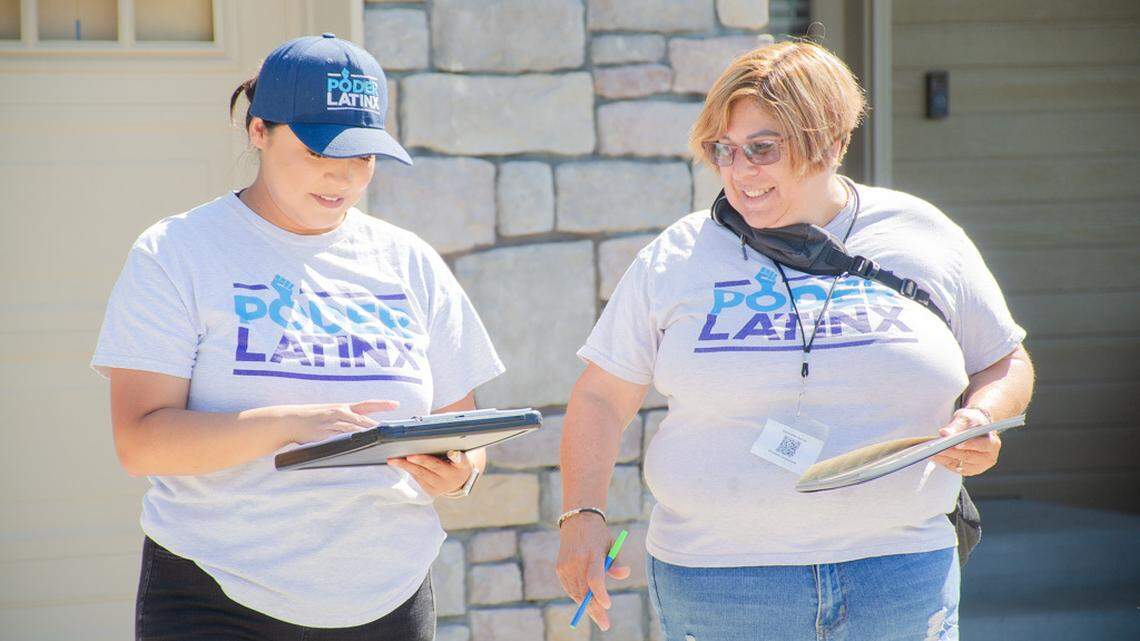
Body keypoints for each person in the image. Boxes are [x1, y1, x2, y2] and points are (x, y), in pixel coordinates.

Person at [556, 41, 1034, 640]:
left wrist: (982, 418)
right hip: (722, 582)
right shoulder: (679, 254)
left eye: (762, 149)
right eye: (722, 150)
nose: (739, 171)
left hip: (898, 572)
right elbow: (601, 398)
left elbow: (1003, 359)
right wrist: (581, 516)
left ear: (831, 143)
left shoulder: (922, 235)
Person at [91, 34, 503, 640]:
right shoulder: (176, 253)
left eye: (362, 157)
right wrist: (287, 425)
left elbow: (462, 430)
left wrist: (460, 471)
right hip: (217, 597)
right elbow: (141, 443)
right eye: (318, 150)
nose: (343, 176)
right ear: (259, 130)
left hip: (390, 598)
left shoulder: (409, 261)